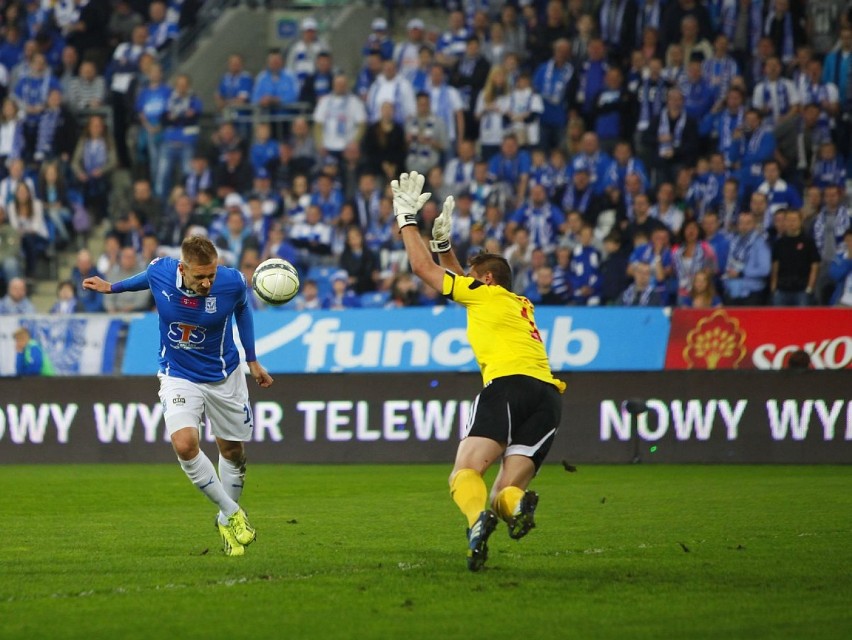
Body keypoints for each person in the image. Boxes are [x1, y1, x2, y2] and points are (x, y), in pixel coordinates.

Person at [391, 172, 566, 572]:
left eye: (473, 277)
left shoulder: (483, 295)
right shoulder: (518, 302)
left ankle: (475, 524)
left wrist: (405, 218)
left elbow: (423, 269)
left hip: (506, 387)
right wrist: (444, 246)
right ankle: (518, 505)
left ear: (485, 280)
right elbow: (461, 285)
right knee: (503, 494)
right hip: (547, 398)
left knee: (465, 473)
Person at [82, 235, 273, 557]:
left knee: (233, 452)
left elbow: (243, 309)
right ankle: (233, 514)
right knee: (185, 444)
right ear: (183, 269)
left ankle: (225, 518)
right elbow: (144, 279)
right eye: (200, 276)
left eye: (211, 274)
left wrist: (251, 360)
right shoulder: (161, 271)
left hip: (224, 376)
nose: (207, 282)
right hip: (178, 374)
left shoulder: (232, 282)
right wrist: (112, 288)